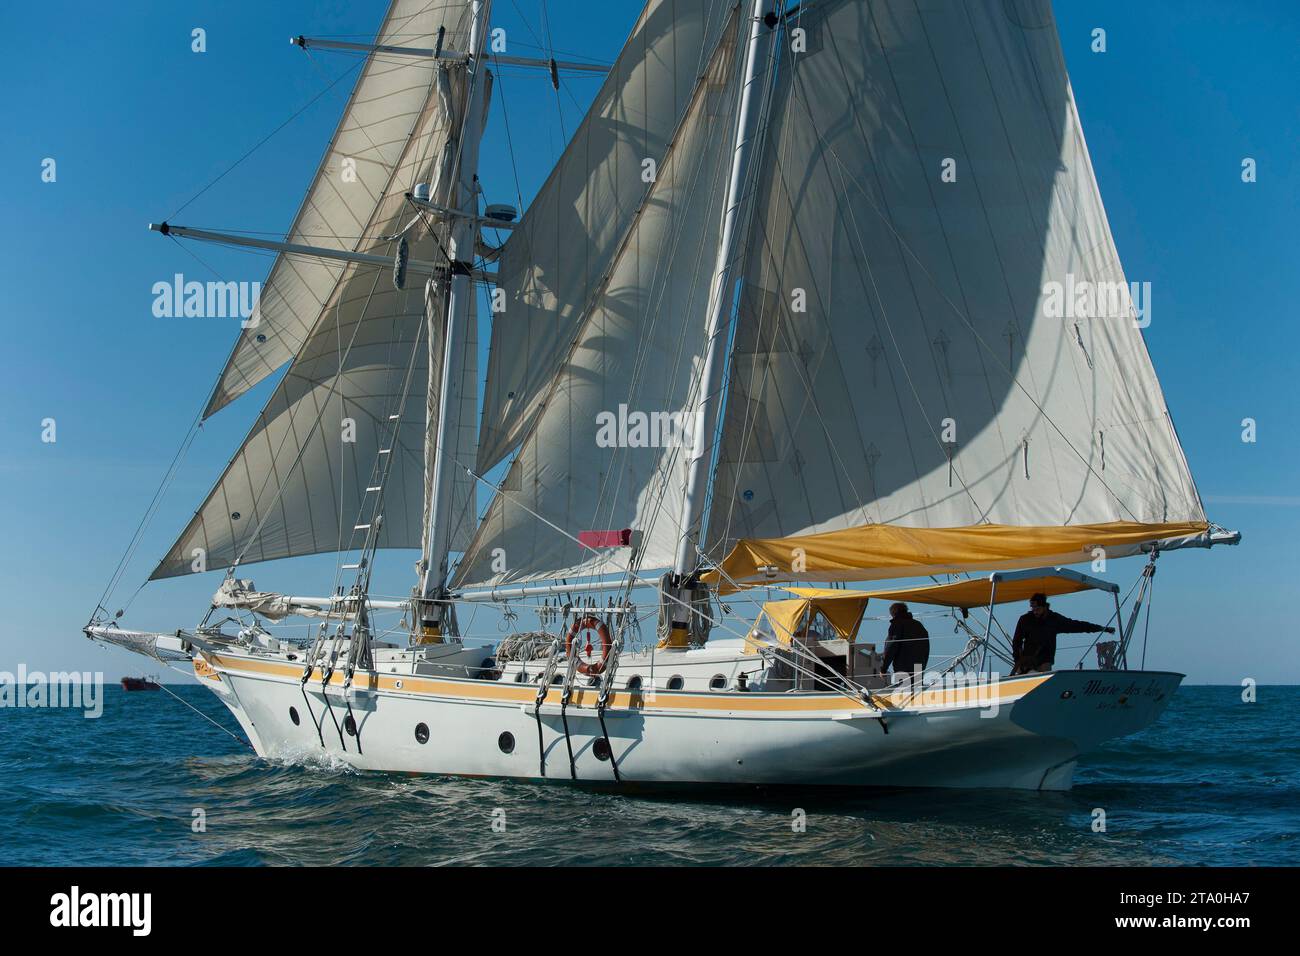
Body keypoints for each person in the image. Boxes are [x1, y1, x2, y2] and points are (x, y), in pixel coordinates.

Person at [1010, 592, 1115, 675]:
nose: (1035, 612)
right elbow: (1016, 641)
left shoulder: (1054, 619)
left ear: (1045, 607)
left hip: (1045, 660)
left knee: (1045, 674)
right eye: (1033, 609)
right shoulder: (1025, 619)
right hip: (1026, 661)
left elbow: (1077, 625)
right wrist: (1017, 661)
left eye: (1038, 609)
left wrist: (1102, 628)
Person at [881, 602, 929, 683]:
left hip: (903, 667)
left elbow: (891, 647)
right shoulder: (918, 625)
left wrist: (883, 669)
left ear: (894, 613)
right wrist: (923, 664)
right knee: (917, 689)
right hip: (919, 665)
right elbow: (926, 647)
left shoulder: (897, 625)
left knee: (904, 692)